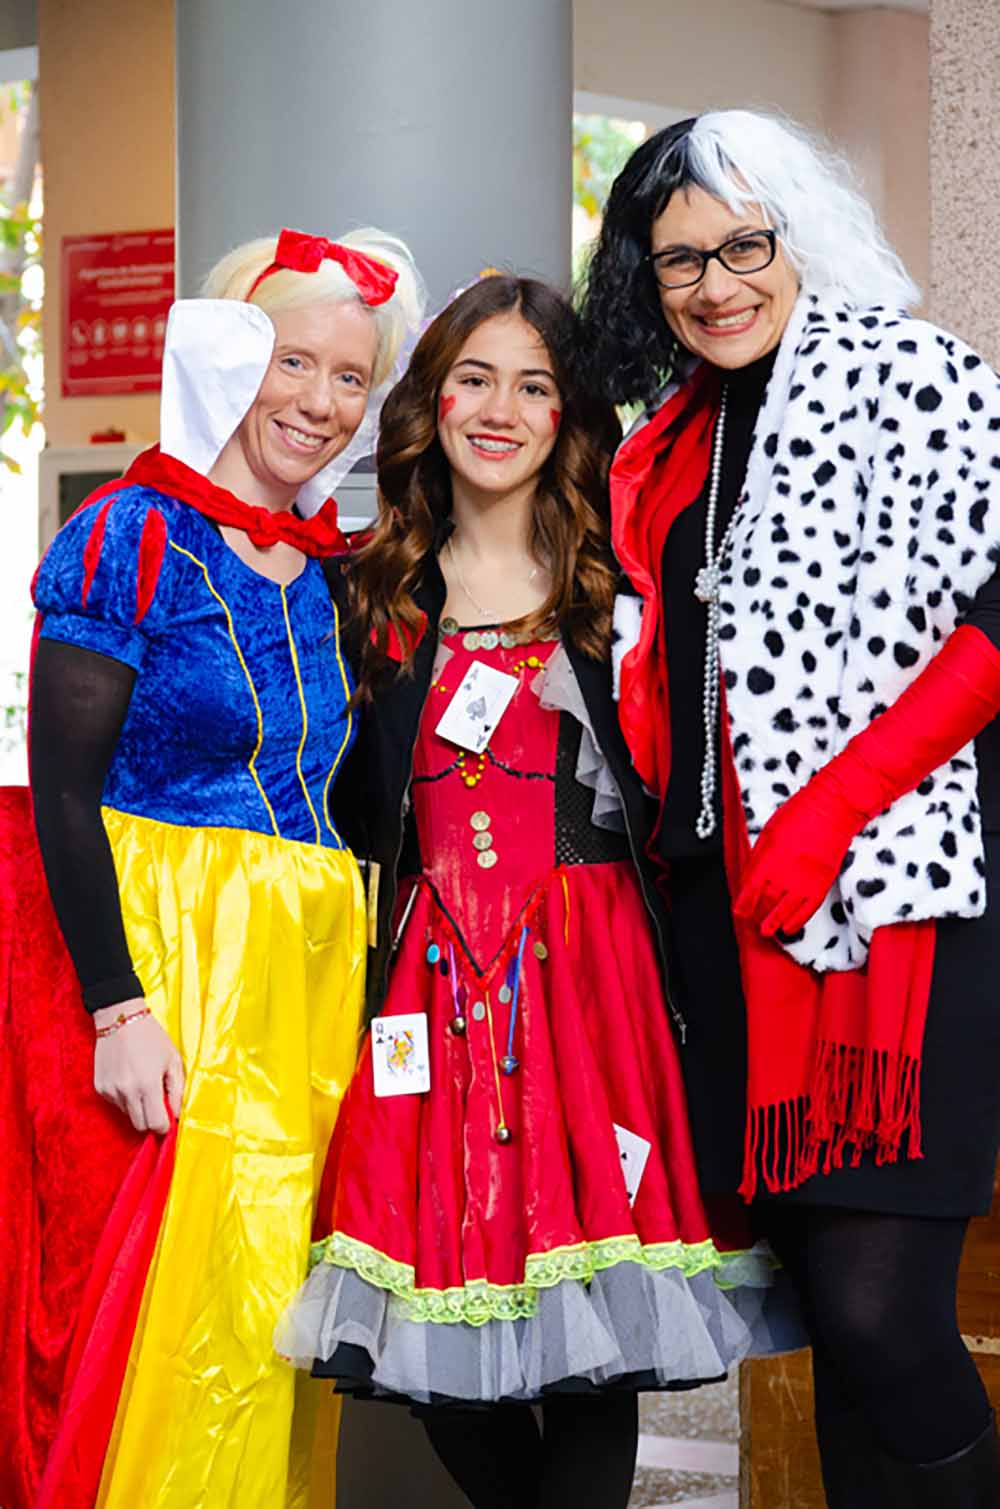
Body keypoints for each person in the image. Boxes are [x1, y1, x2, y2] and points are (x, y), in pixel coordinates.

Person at [277, 274, 795, 1509]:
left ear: (567, 417)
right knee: (425, 1345)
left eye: (533, 385)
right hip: (425, 991)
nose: (499, 410)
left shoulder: (621, 591)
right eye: (473, 379)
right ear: (433, 401)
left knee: (591, 1336)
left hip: (594, 991)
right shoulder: (365, 594)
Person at [578, 108, 1000, 1507]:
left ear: (797, 234)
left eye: (742, 246)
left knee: (885, 1314)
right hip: (729, 922)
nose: (714, 286)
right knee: (827, 1315)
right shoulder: (668, 442)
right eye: (677, 260)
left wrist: (832, 808)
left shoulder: (911, 373)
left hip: (893, 905)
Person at [0, 226, 422, 1509]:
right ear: (229, 355)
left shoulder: (339, 571)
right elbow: (63, 793)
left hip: (301, 982)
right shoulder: (128, 535)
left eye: (350, 377)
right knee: (163, 1310)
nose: (320, 402)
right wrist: (116, 1009)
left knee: (269, 1305)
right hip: (168, 961)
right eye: (293, 362)